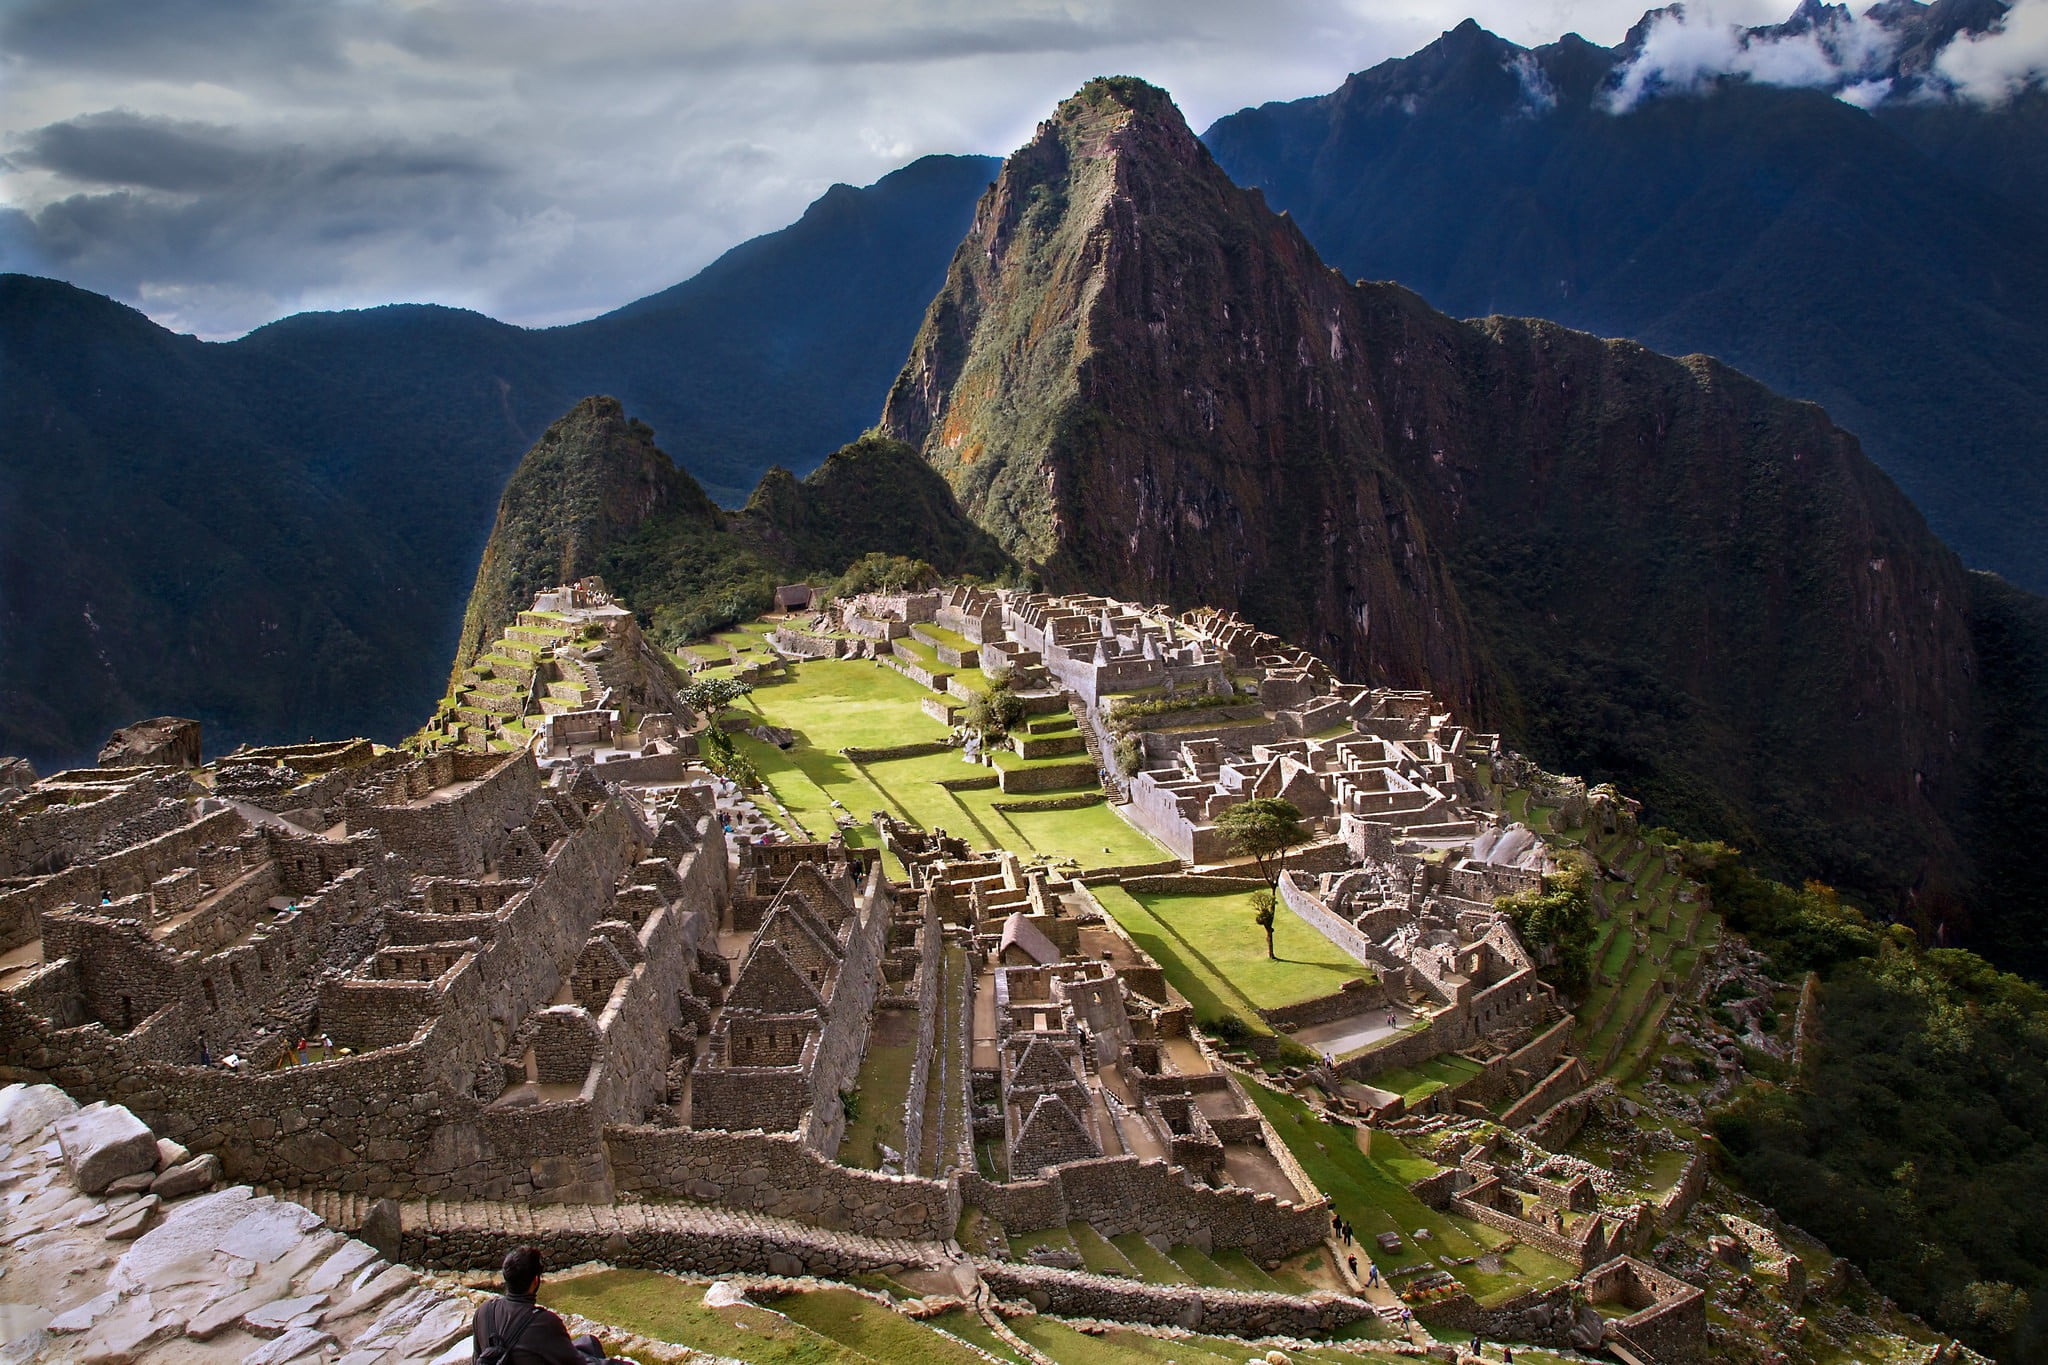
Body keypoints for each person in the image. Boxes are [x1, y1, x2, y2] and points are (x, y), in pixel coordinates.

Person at [473, 1246, 605, 1365]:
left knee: (585, 1344)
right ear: (536, 1280)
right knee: (590, 1344)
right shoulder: (544, 1322)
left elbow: (477, 1359)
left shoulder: (484, 1311)